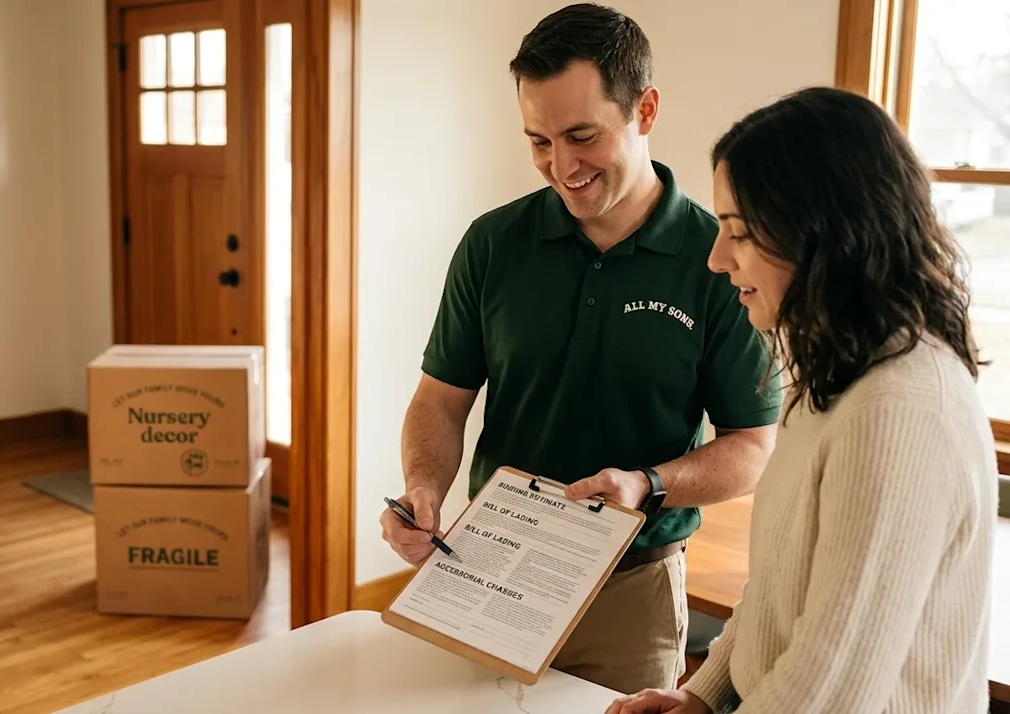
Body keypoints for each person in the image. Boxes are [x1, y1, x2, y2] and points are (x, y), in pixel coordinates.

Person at [378, 3, 783, 695]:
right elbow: (439, 400)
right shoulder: (492, 243)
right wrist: (423, 489)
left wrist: (646, 485)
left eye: (581, 136)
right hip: (486, 570)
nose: (561, 166)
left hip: (631, 592)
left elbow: (751, 446)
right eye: (539, 141)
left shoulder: (718, 258)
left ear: (645, 110)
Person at [604, 86, 999, 714]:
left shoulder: (900, 409)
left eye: (740, 233)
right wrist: (704, 695)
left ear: (826, 235)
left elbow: (831, 686)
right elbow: (776, 591)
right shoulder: (834, 377)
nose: (716, 259)